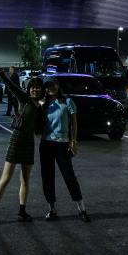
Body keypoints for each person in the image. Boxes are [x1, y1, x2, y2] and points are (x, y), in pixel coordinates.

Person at [0, 61, 42, 226]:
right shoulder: (24, 98)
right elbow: (11, 86)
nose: (35, 89)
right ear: (29, 88)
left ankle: (22, 212)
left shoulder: (42, 106)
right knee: (6, 177)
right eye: (32, 86)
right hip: (17, 139)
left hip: (29, 143)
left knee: (25, 179)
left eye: (38, 87)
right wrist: (1, 73)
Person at [40, 79, 90, 222]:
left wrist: (73, 141)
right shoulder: (43, 103)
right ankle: (52, 210)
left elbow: (74, 123)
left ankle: (82, 210)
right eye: (47, 86)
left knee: (69, 177)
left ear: (58, 85)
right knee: (47, 179)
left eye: (53, 85)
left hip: (62, 144)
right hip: (46, 144)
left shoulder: (67, 101)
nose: (50, 88)